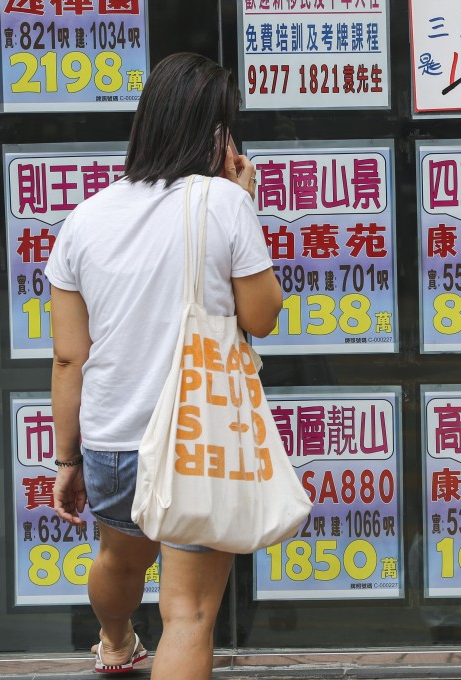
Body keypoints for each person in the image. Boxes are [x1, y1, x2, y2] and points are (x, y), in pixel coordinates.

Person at [46, 52, 282, 678]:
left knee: (120, 561)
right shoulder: (222, 202)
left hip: (112, 440)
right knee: (188, 615)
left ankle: (116, 642)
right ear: (217, 133)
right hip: (193, 443)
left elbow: (70, 356)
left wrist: (68, 458)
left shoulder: (84, 219)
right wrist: (244, 200)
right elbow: (261, 317)